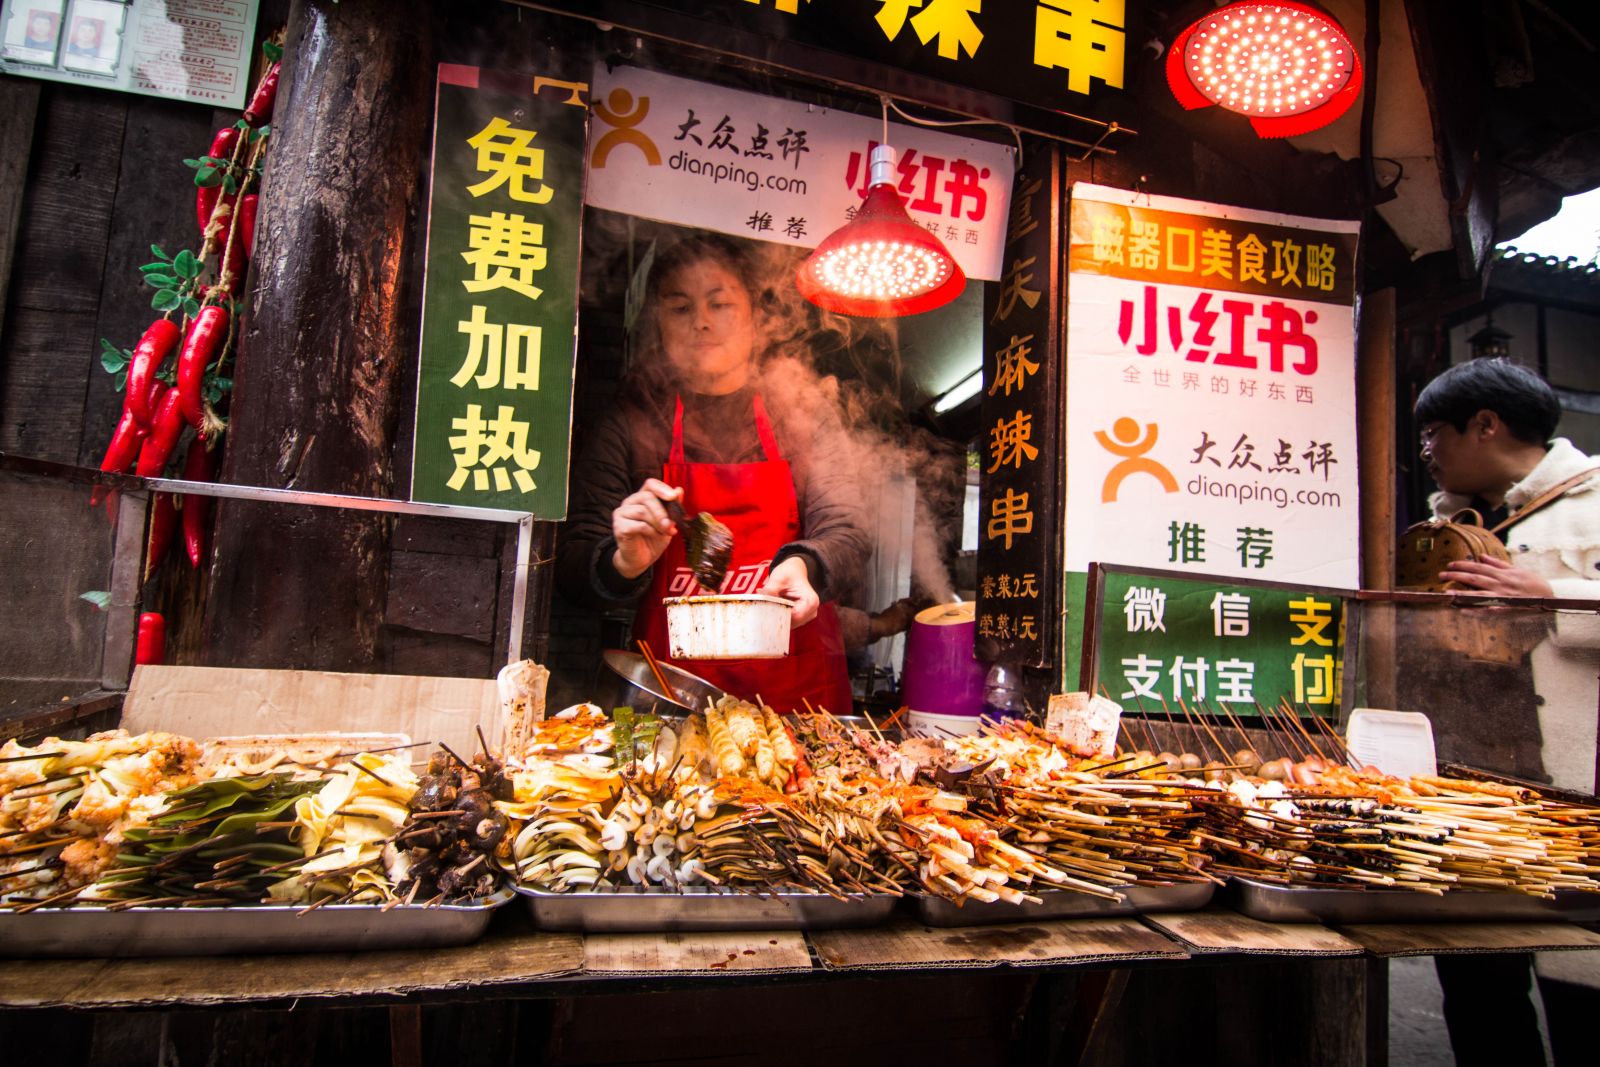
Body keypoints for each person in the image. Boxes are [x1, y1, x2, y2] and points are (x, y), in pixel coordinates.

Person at [557, 233, 869, 714]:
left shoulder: (803, 414)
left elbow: (848, 530)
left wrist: (805, 565)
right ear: (659, 320)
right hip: (670, 699)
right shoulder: (633, 419)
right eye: (680, 307)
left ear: (755, 316)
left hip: (796, 699)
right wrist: (623, 562)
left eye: (719, 304)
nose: (700, 322)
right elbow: (574, 564)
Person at [1414, 357, 1600, 1067]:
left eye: (1433, 433)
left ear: (1486, 424)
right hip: (1472, 792)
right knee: (1478, 993)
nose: (1425, 451)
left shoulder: (1593, 498)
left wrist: (1551, 596)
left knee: (1582, 991)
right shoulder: (1443, 526)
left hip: (1577, 795)